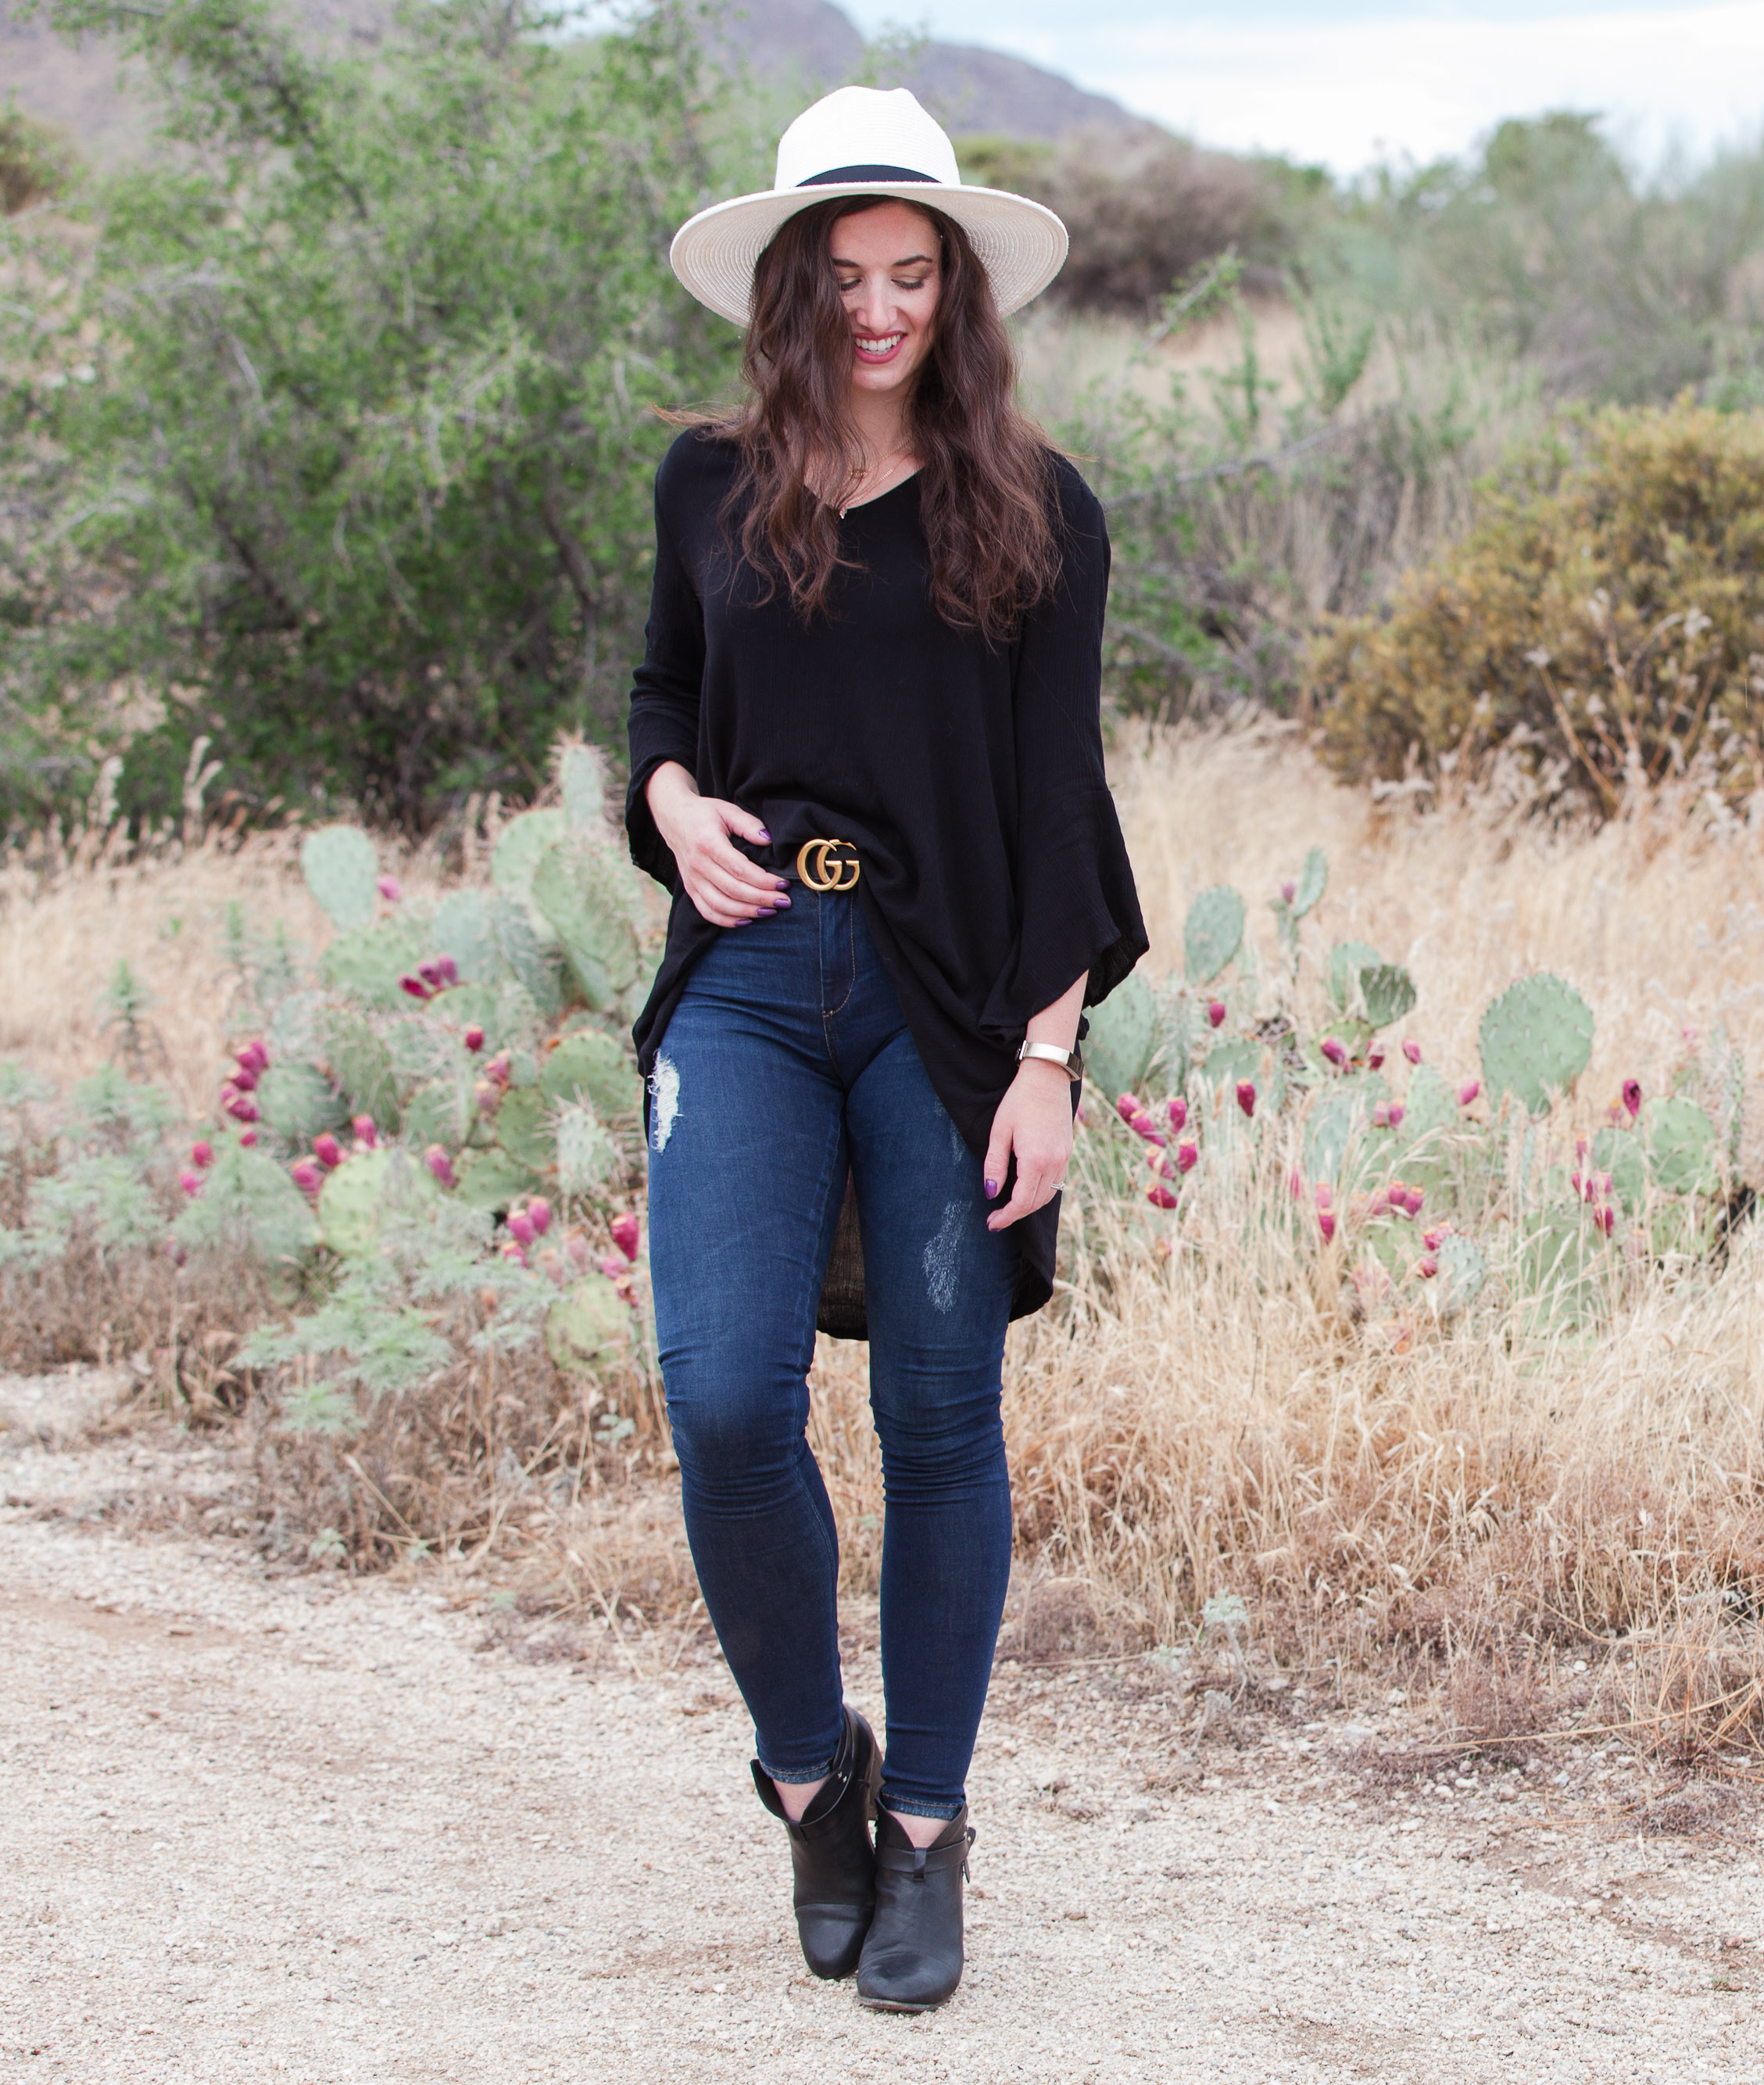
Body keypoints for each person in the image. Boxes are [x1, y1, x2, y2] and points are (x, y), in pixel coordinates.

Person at [624, 84, 1143, 2012]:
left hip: (948, 1002)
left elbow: (1058, 794)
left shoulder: (1035, 506)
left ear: (954, 287)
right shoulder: (707, 483)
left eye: (907, 275)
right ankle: (801, 1770)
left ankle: (924, 1825)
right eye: (840, 276)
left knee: (940, 1418)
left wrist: (1046, 1055)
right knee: (730, 1400)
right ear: (789, 285)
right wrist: (671, 798)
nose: (874, 310)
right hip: (749, 982)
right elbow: (661, 690)